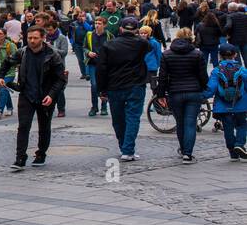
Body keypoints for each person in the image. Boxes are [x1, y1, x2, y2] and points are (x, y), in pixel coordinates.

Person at [1, 25, 66, 171]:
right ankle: (20, 158)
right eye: (29, 38)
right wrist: (0, 77)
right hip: (27, 95)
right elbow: (7, 62)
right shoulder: (22, 52)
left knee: (44, 127)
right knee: (23, 126)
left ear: (43, 38)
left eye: (35, 38)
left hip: (45, 97)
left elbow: (61, 79)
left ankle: (41, 154)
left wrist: (51, 95)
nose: (32, 41)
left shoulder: (52, 55)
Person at [94, 16, 150, 161]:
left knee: (118, 119)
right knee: (133, 118)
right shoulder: (141, 44)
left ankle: (124, 147)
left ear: (120, 29)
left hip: (115, 86)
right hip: (135, 85)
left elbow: (101, 69)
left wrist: (101, 89)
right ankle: (128, 149)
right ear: (137, 30)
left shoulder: (108, 45)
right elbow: (149, 46)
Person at [155, 28, 209, 164]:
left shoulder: (167, 54)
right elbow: (203, 76)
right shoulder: (197, 54)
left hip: (175, 92)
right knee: (190, 123)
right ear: (190, 38)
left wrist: (160, 94)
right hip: (193, 91)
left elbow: (162, 76)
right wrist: (204, 89)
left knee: (180, 123)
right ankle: (187, 153)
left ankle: (183, 148)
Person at [206, 45, 247, 161]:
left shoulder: (216, 70)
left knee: (228, 127)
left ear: (220, 56)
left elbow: (211, 88)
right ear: (235, 55)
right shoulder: (242, 70)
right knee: (242, 124)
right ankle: (239, 144)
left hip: (223, 105)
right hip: (241, 105)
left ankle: (232, 152)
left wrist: (202, 96)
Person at [84, 16, 109, 117]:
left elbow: (114, 48)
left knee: (104, 86)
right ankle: (94, 107)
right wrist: (88, 52)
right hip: (93, 63)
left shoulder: (109, 36)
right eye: (96, 23)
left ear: (104, 25)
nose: (97, 25)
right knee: (94, 86)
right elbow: (84, 47)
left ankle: (104, 106)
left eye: (99, 23)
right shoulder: (89, 35)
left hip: (105, 64)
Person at [223, 1, 247, 68]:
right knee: (246, 56)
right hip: (245, 38)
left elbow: (228, 26)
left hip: (234, 39)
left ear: (229, 9)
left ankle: (240, 72)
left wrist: (225, 33)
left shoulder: (230, 16)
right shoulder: (244, 15)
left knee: (236, 57)